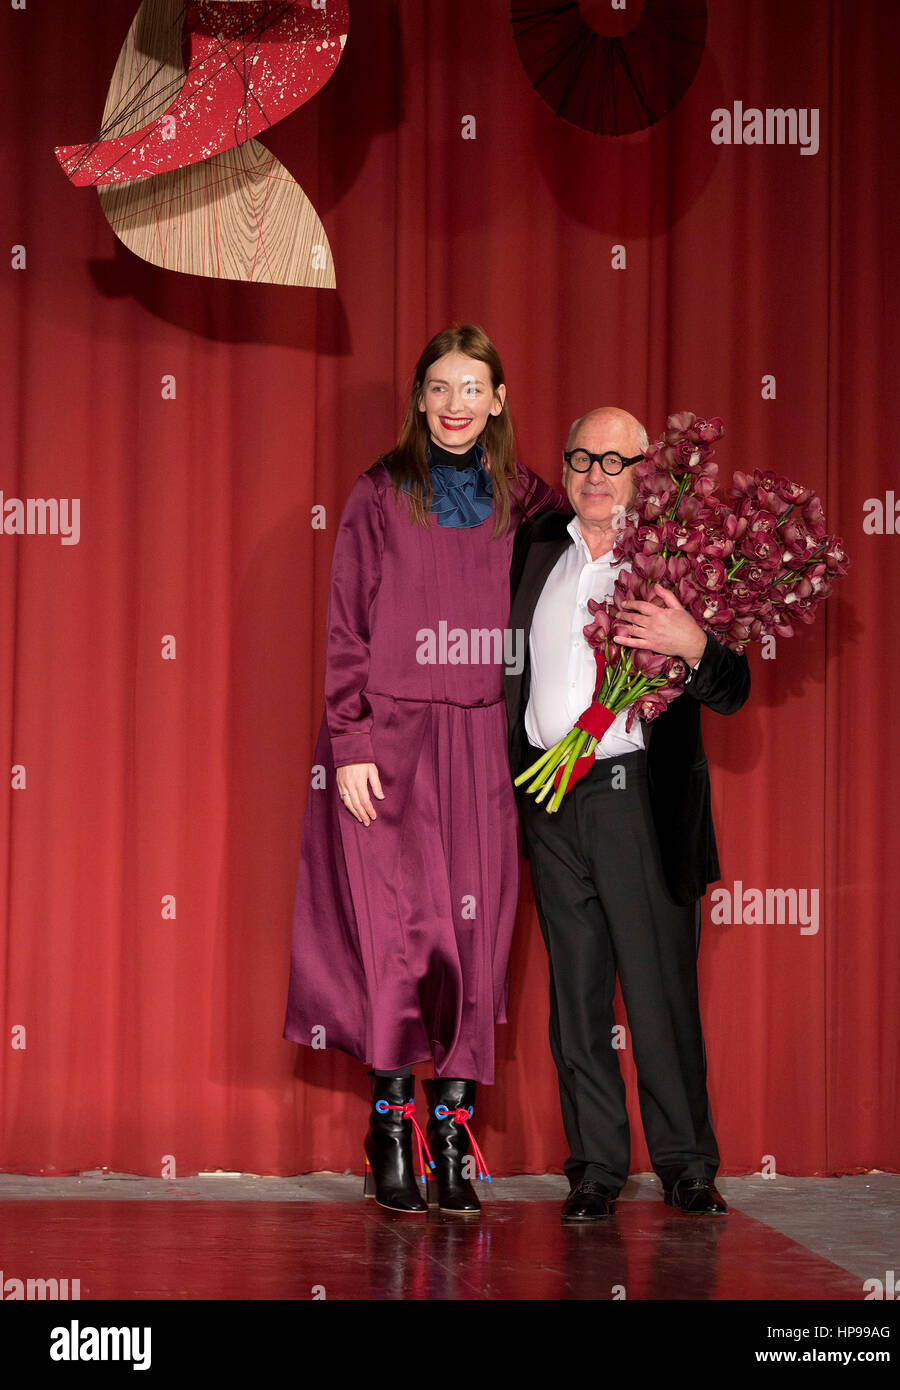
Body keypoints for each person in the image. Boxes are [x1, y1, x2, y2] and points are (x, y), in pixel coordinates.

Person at [283, 324, 571, 1215]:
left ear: (499, 398)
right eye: (439, 388)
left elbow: (589, 579)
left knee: (471, 946)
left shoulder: (527, 499)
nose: (454, 405)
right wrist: (353, 744)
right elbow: (346, 629)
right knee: (394, 939)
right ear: (418, 399)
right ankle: (388, 1124)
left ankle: (452, 1131)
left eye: (471, 388)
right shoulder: (380, 493)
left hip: (485, 744)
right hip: (390, 741)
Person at [504, 406, 750, 1222]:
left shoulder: (676, 559)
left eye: (616, 459)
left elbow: (733, 687)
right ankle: (596, 1170)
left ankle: (686, 1167)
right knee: (575, 1003)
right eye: (581, 457)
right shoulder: (537, 545)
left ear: (648, 471)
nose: (596, 473)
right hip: (550, 800)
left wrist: (692, 643)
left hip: (636, 801)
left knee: (658, 997)